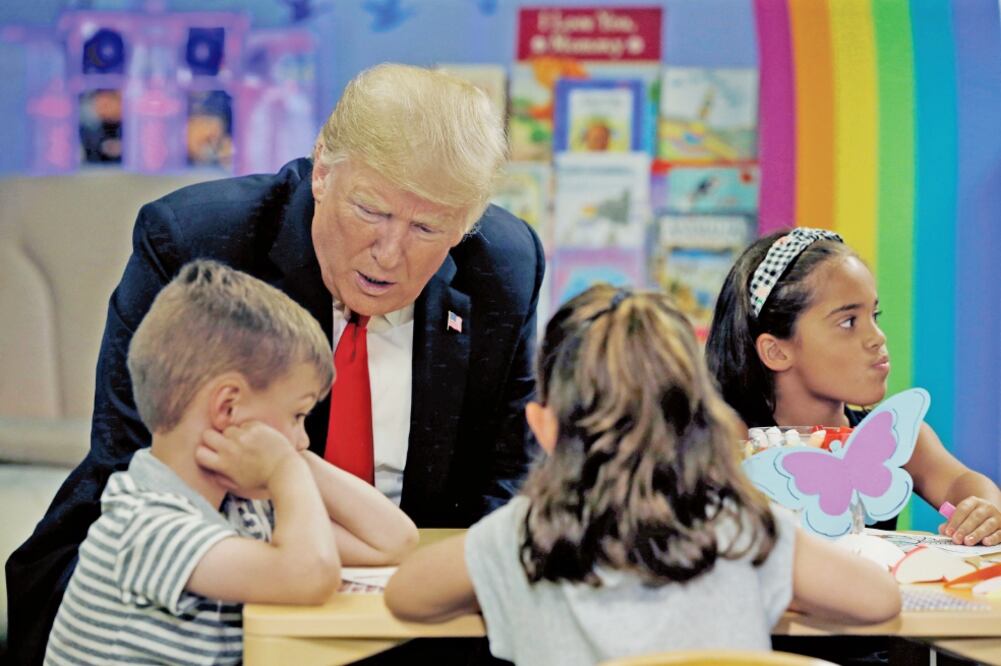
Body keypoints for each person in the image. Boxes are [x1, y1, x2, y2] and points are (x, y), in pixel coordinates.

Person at [7, 63, 545, 665]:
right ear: (322, 171)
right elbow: (134, 445)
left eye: (427, 227)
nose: (390, 252)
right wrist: (283, 476)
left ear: (465, 226)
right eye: (370, 211)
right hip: (207, 589)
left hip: (401, 587)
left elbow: (506, 481)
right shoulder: (197, 242)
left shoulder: (505, 265)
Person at [383, 285, 900, 666]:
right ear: (703, 417)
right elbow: (879, 599)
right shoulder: (743, 530)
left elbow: (405, 594)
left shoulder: (520, 536)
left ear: (543, 427)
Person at [43, 260, 417, 665]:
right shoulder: (145, 523)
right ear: (228, 407)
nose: (304, 439)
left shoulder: (241, 507)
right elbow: (308, 578)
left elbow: (393, 541)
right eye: (297, 415)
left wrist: (295, 458)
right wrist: (284, 469)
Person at [705, 228, 1001, 543]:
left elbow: (962, 483)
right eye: (848, 322)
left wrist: (984, 509)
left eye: (875, 315)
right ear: (776, 351)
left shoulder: (895, 438)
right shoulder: (729, 441)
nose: (878, 337)